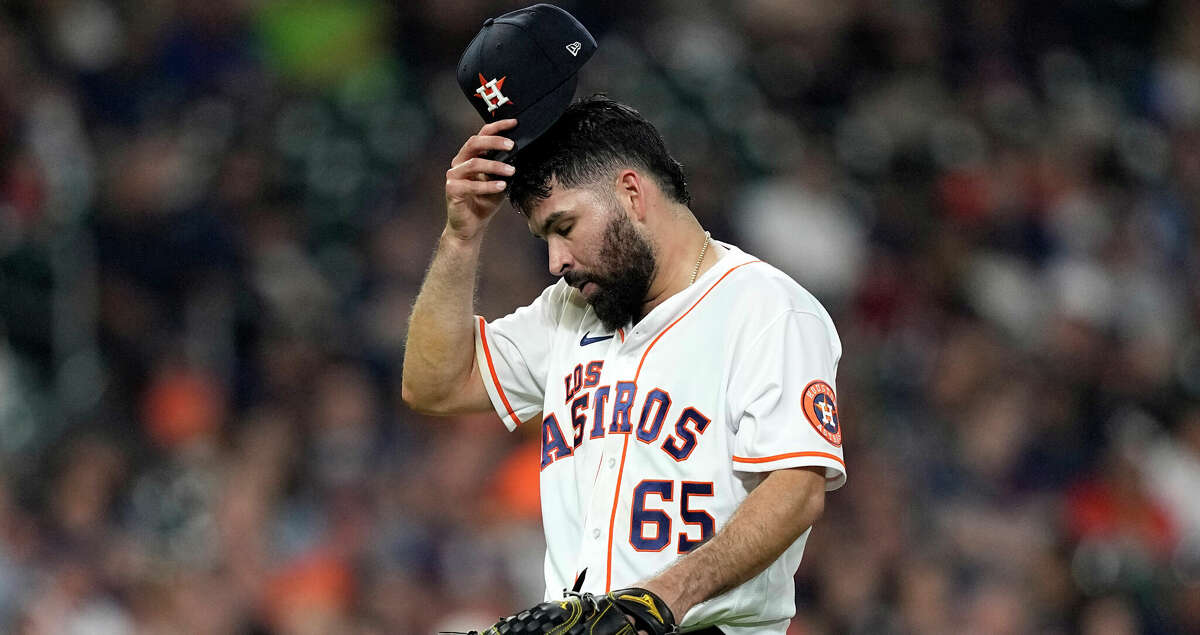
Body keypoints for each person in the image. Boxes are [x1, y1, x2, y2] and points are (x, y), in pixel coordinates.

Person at [402, 96, 846, 634]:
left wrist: (659, 600)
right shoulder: (568, 313)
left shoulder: (767, 307)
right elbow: (433, 385)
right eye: (546, 238)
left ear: (631, 194)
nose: (556, 261)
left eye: (564, 226)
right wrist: (461, 236)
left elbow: (796, 490)